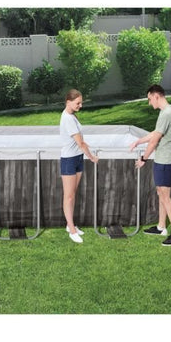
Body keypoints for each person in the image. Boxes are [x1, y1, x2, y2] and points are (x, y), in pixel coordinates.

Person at [130, 84, 171, 246]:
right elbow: (155, 133)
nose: (149, 102)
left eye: (149, 99)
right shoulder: (166, 112)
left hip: (166, 159)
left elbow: (154, 140)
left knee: (165, 196)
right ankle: (161, 227)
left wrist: (144, 159)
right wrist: (139, 141)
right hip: (162, 158)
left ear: (156, 96)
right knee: (161, 193)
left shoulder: (166, 113)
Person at [60, 89, 99, 243]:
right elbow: (80, 143)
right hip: (69, 160)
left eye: (81, 103)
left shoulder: (72, 116)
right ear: (68, 102)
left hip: (77, 157)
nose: (80, 106)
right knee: (68, 196)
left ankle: (70, 225)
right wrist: (92, 157)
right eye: (78, 103)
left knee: (73, 194)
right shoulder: (67, 119)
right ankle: (71, 229)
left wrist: (87, 149)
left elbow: (80, 141)